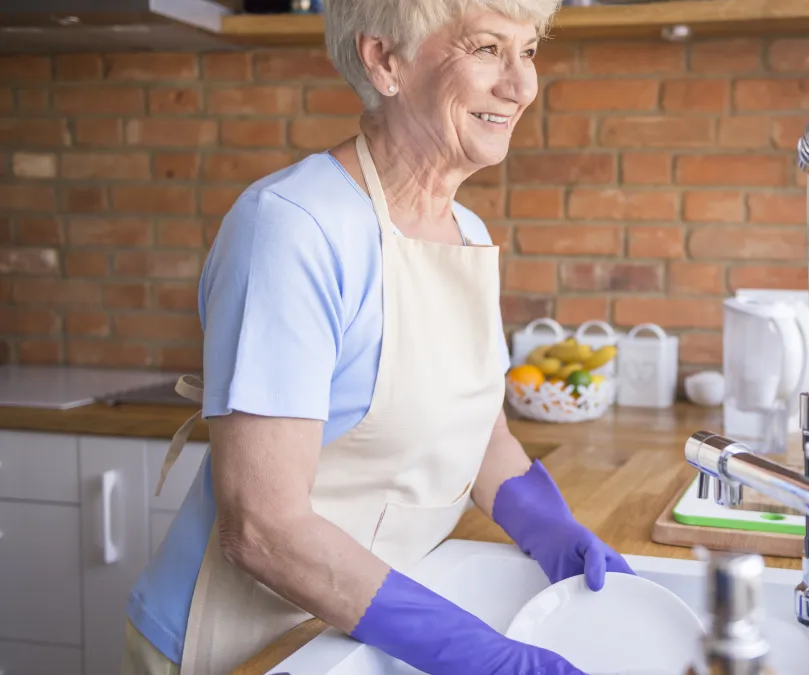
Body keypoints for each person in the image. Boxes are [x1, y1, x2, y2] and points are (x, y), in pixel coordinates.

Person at [119, 0, 634, 673]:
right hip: (244, 646)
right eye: (486, 49)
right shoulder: (295, 228)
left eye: (529, 50)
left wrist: (553, 531)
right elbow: (263, 528)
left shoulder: (467, 234)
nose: (521, 84)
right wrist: (477, 653)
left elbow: (474, 430)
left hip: (362, 628)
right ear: (384, 60)